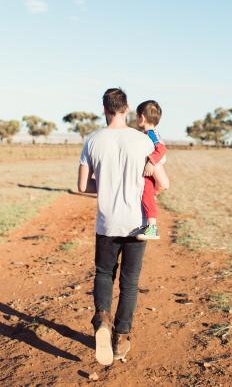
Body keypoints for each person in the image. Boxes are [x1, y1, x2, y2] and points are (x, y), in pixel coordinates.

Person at [77, 88, 168, 366]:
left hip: (107, 223)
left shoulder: (92, 141)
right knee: (130, 282)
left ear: (104, 109)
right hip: (136, 224)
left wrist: (104, 186)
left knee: (104, 274)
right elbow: (163, 183)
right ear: (127, 109)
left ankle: (102, 320)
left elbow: (82, 186)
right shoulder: (143, 142)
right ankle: (122, 338)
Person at [135, 100, 168, 241]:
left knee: (147, 195)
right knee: (148, 196)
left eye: (136, 116)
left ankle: (152, 228)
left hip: (153, 169)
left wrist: (151, 162)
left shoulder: (150, 134)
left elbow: (161, 149)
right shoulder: (152, 133)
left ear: (142, 117)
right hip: (155, 169)